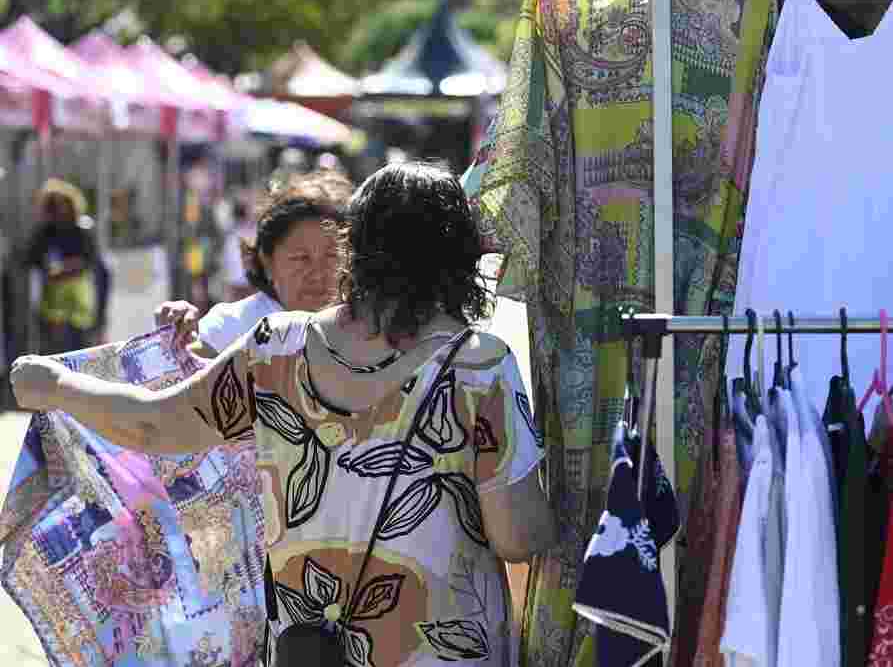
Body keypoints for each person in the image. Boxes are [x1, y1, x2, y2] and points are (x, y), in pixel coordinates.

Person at [12, 161, 557, 667]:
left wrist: (58, 385)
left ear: (355, 247)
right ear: (459, 260)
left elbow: (153, 423)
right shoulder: (481, 366)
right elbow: (518, 537)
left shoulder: (277, 347)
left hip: (311, 651)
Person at [155, 169, 354, 356]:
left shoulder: (367, 328)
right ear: (267, 262)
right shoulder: (231, 329)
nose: (318, 273)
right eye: (301, 258)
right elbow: (168, 378)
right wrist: (175, 344)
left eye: (332, 255)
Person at [24, 179, 110, 354]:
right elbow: (32, 260)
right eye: (52, 205)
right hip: (52, 310)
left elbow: (94, 264)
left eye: (61, 204)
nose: (58, 210)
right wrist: (51, 270)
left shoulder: (83, 230)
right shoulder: (44, 233)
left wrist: (70, 267)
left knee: (80, 354)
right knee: (53, 356)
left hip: (79, 308)